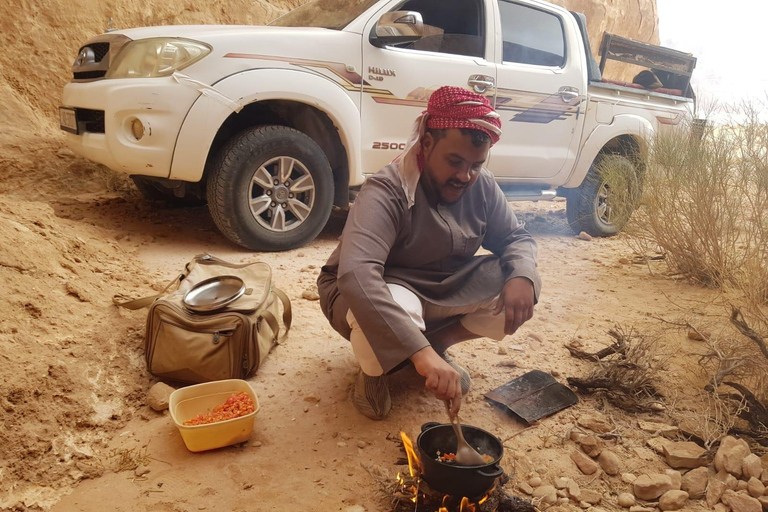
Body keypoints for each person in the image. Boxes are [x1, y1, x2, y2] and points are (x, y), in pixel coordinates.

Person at [317, 86, 541, 420]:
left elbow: (515, 238)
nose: (465, 176)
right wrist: (419, 354)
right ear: (426, 144)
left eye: (476, 165)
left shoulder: (482, 185)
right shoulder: (387, 189)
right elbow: (357, 275)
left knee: (514, 277)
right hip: (374, 289)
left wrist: (522, 275)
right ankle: (375, 373)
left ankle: (437, 345)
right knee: (393, 303)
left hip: (439, 287)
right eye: (455, 162)